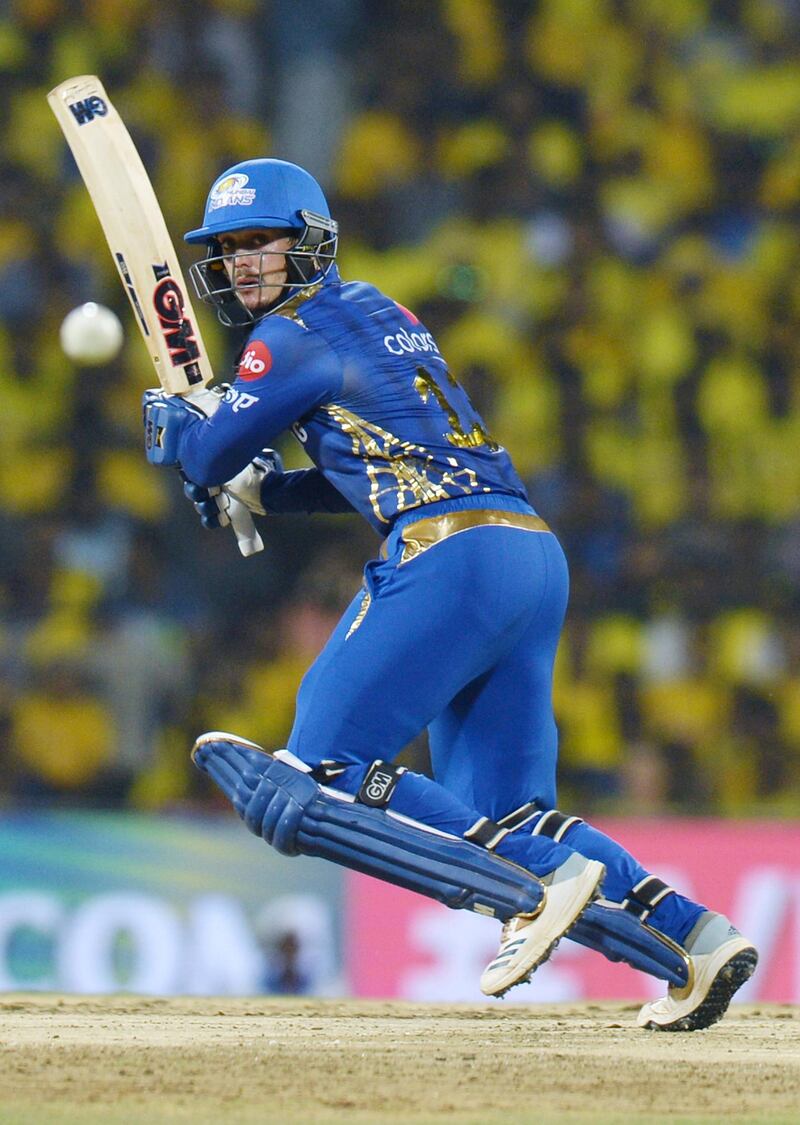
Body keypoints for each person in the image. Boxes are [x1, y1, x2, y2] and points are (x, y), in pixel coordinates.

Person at [142, 158, 757, 1027]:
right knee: (513, 812)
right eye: (230, 248)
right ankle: (694, 936)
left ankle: (537, 883)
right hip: (526, 553)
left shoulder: (286, 337)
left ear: (307, 243)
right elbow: (361, 468)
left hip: (448, 557)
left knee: (317, 771)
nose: (242, 263)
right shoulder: (379, 313)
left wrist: (184, 431)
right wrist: (264, 487)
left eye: (260, 242)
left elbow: (204, 458)